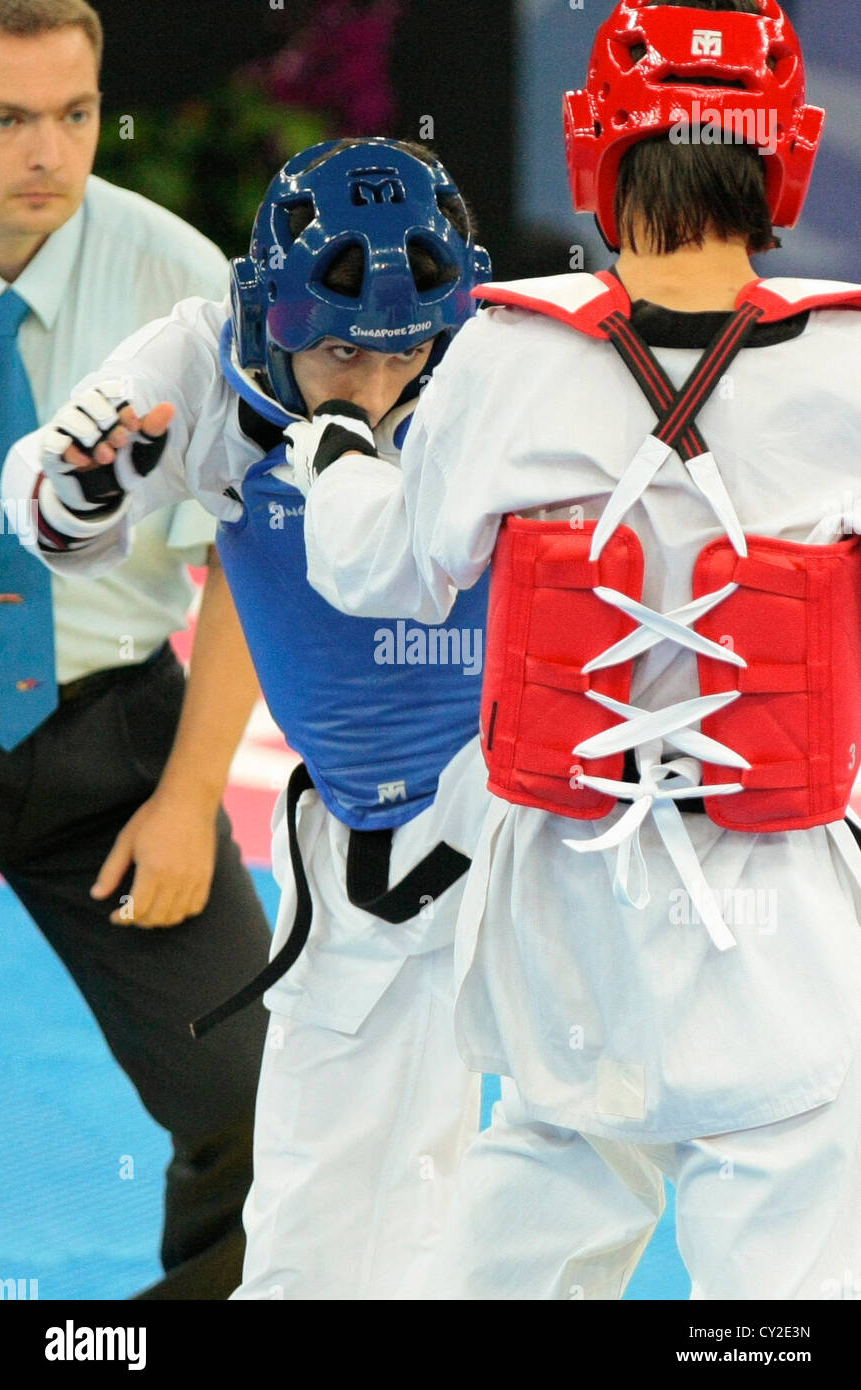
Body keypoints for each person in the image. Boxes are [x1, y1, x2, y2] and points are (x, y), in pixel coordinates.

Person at [7, 133, 666, 1300]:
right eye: (337, 361)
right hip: (359, 848)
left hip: (536, 820)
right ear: (270, 315)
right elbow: (49, 498)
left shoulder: (519, 361)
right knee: (315, 1200)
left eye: (403, 354)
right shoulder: (197, 362)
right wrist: (85, 487)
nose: (372, 389)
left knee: (588, 1149)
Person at [285, 0, 861, 1299]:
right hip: (786, 927)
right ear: (788, 157)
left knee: (538, 1182)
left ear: (592, 146)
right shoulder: (849, 360)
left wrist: (333, 454)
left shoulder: (508, 352)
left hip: (564, 922)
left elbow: (379, 571)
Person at [0, 0, 270, 1299]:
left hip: (109, 738)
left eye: (74, 114)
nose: (47, 152)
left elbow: (255, 560)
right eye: (5, 119)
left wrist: (187, 793)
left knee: (243, 1090)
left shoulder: (185, 286)